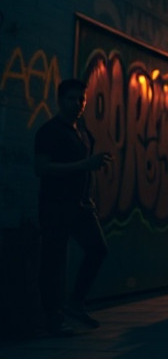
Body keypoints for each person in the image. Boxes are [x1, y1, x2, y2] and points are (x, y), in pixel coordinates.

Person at [34, 78, 111, 333]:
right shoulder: (49, 131)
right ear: (60, 100)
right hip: (55, 206)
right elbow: (42, 168)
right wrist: (83, 165)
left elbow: (84, 168)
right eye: (72, 99)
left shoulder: (82, 132)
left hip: (80, 206)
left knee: (98, 249)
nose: (78, 104)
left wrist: (94, 167)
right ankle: (53, 319)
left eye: (82, 99)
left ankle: (76, 303)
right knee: (53, 262)